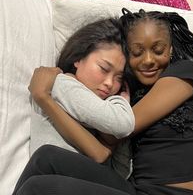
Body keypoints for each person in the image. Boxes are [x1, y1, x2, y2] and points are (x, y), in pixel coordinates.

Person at [1, 8, 193, 195]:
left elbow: (122, 126)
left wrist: (47, 95)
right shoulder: (131, 94)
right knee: (46, 157)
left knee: (38, 193)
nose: (148, 60)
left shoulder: (185, 73)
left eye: (157, 50)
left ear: (170, 49)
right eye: (136, 52)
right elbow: (107, 143)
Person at [30, 17, 134, 168]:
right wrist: (122, 99)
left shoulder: (91, 104)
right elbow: (123, 124)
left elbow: (121, 168)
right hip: (56, 178)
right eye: (103, 68)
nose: (109, 83)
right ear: (78, 58)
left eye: (119, 78)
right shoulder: (63, 85)